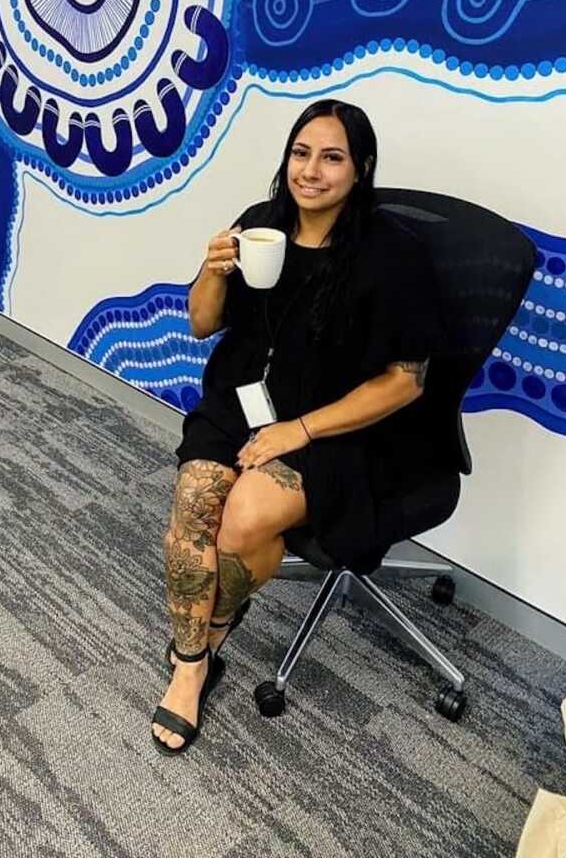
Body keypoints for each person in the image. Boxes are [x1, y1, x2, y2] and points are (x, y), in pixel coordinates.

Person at [151, 99, 454, 754]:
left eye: (332, 157)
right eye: (300, 153)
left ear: (361, 168)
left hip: (341, 427)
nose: (311, 171)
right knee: (195, 501)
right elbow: (203, 324)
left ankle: (206, 631)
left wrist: (302, 431)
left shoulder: (390, 255)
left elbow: (409, 378)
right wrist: (211, 269)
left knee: (242, 518)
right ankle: (193, 660)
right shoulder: (262, 225)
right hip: (247, 400)